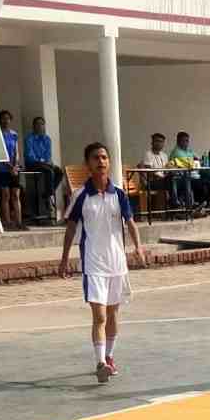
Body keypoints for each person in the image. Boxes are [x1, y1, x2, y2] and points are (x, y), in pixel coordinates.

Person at [58, 141, 147, 384]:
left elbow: (130, 223)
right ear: (88, 164)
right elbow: (71, 228)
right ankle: (99, 363)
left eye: (105, 157)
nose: (101, 161)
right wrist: (65, 258)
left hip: (117, 263)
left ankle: (109, 357)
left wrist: (138, 247)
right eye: (96, 158)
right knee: (99, 316)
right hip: (93, 264)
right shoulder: (81, 195)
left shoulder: (118, 194)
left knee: (113, 314)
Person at [24, 116, 66, 222]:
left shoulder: (47, 139)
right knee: (49, 170)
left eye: (42, 124)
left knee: (59, 171)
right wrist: (42, 161)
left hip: (45, 164)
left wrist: (46, 161)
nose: (40, 126)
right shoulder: (29, 138)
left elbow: (48, 155)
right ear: (33, 126)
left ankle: (48, 193)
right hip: (32, 164)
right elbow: (29, 155)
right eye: (37, 124)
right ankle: (48, 198)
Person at [0, 109, 23, 230]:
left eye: (8, 118)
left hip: (14, 168)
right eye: (3, 118)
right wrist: (9, 166)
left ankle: (19, 222)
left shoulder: (14, 134)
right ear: (0, 120)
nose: (6, 120)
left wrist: (15, 165)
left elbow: (16, 151)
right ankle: (7, 222)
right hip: (2, 168)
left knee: (15, 194)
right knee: (5, 195)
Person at [167, 130, 197, 209]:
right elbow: (188, 164)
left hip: (191, 175)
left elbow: (197, 160)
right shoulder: (176, 152)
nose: (187, 143)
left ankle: (193, 204)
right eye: (184, 141)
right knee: (187, 179)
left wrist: (194, 161)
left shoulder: (189, 151)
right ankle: (189, 205)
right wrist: (192, 162)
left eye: (187, 141)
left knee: (208, 183)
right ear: (178, 141)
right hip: (178, 178)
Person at [141, 133, 171, 206]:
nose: (159, 143)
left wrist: (167, 173)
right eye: (157, 141)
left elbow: (167, 170)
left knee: (177, 181)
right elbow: (150, 173)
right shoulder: (148, 154)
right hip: (152, 181)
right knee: (170, 183)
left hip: (164, 180)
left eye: (161, 142)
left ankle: (175, 206)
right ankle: (170, 207)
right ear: (152, 142)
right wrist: (162, 177)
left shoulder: (164, 155)